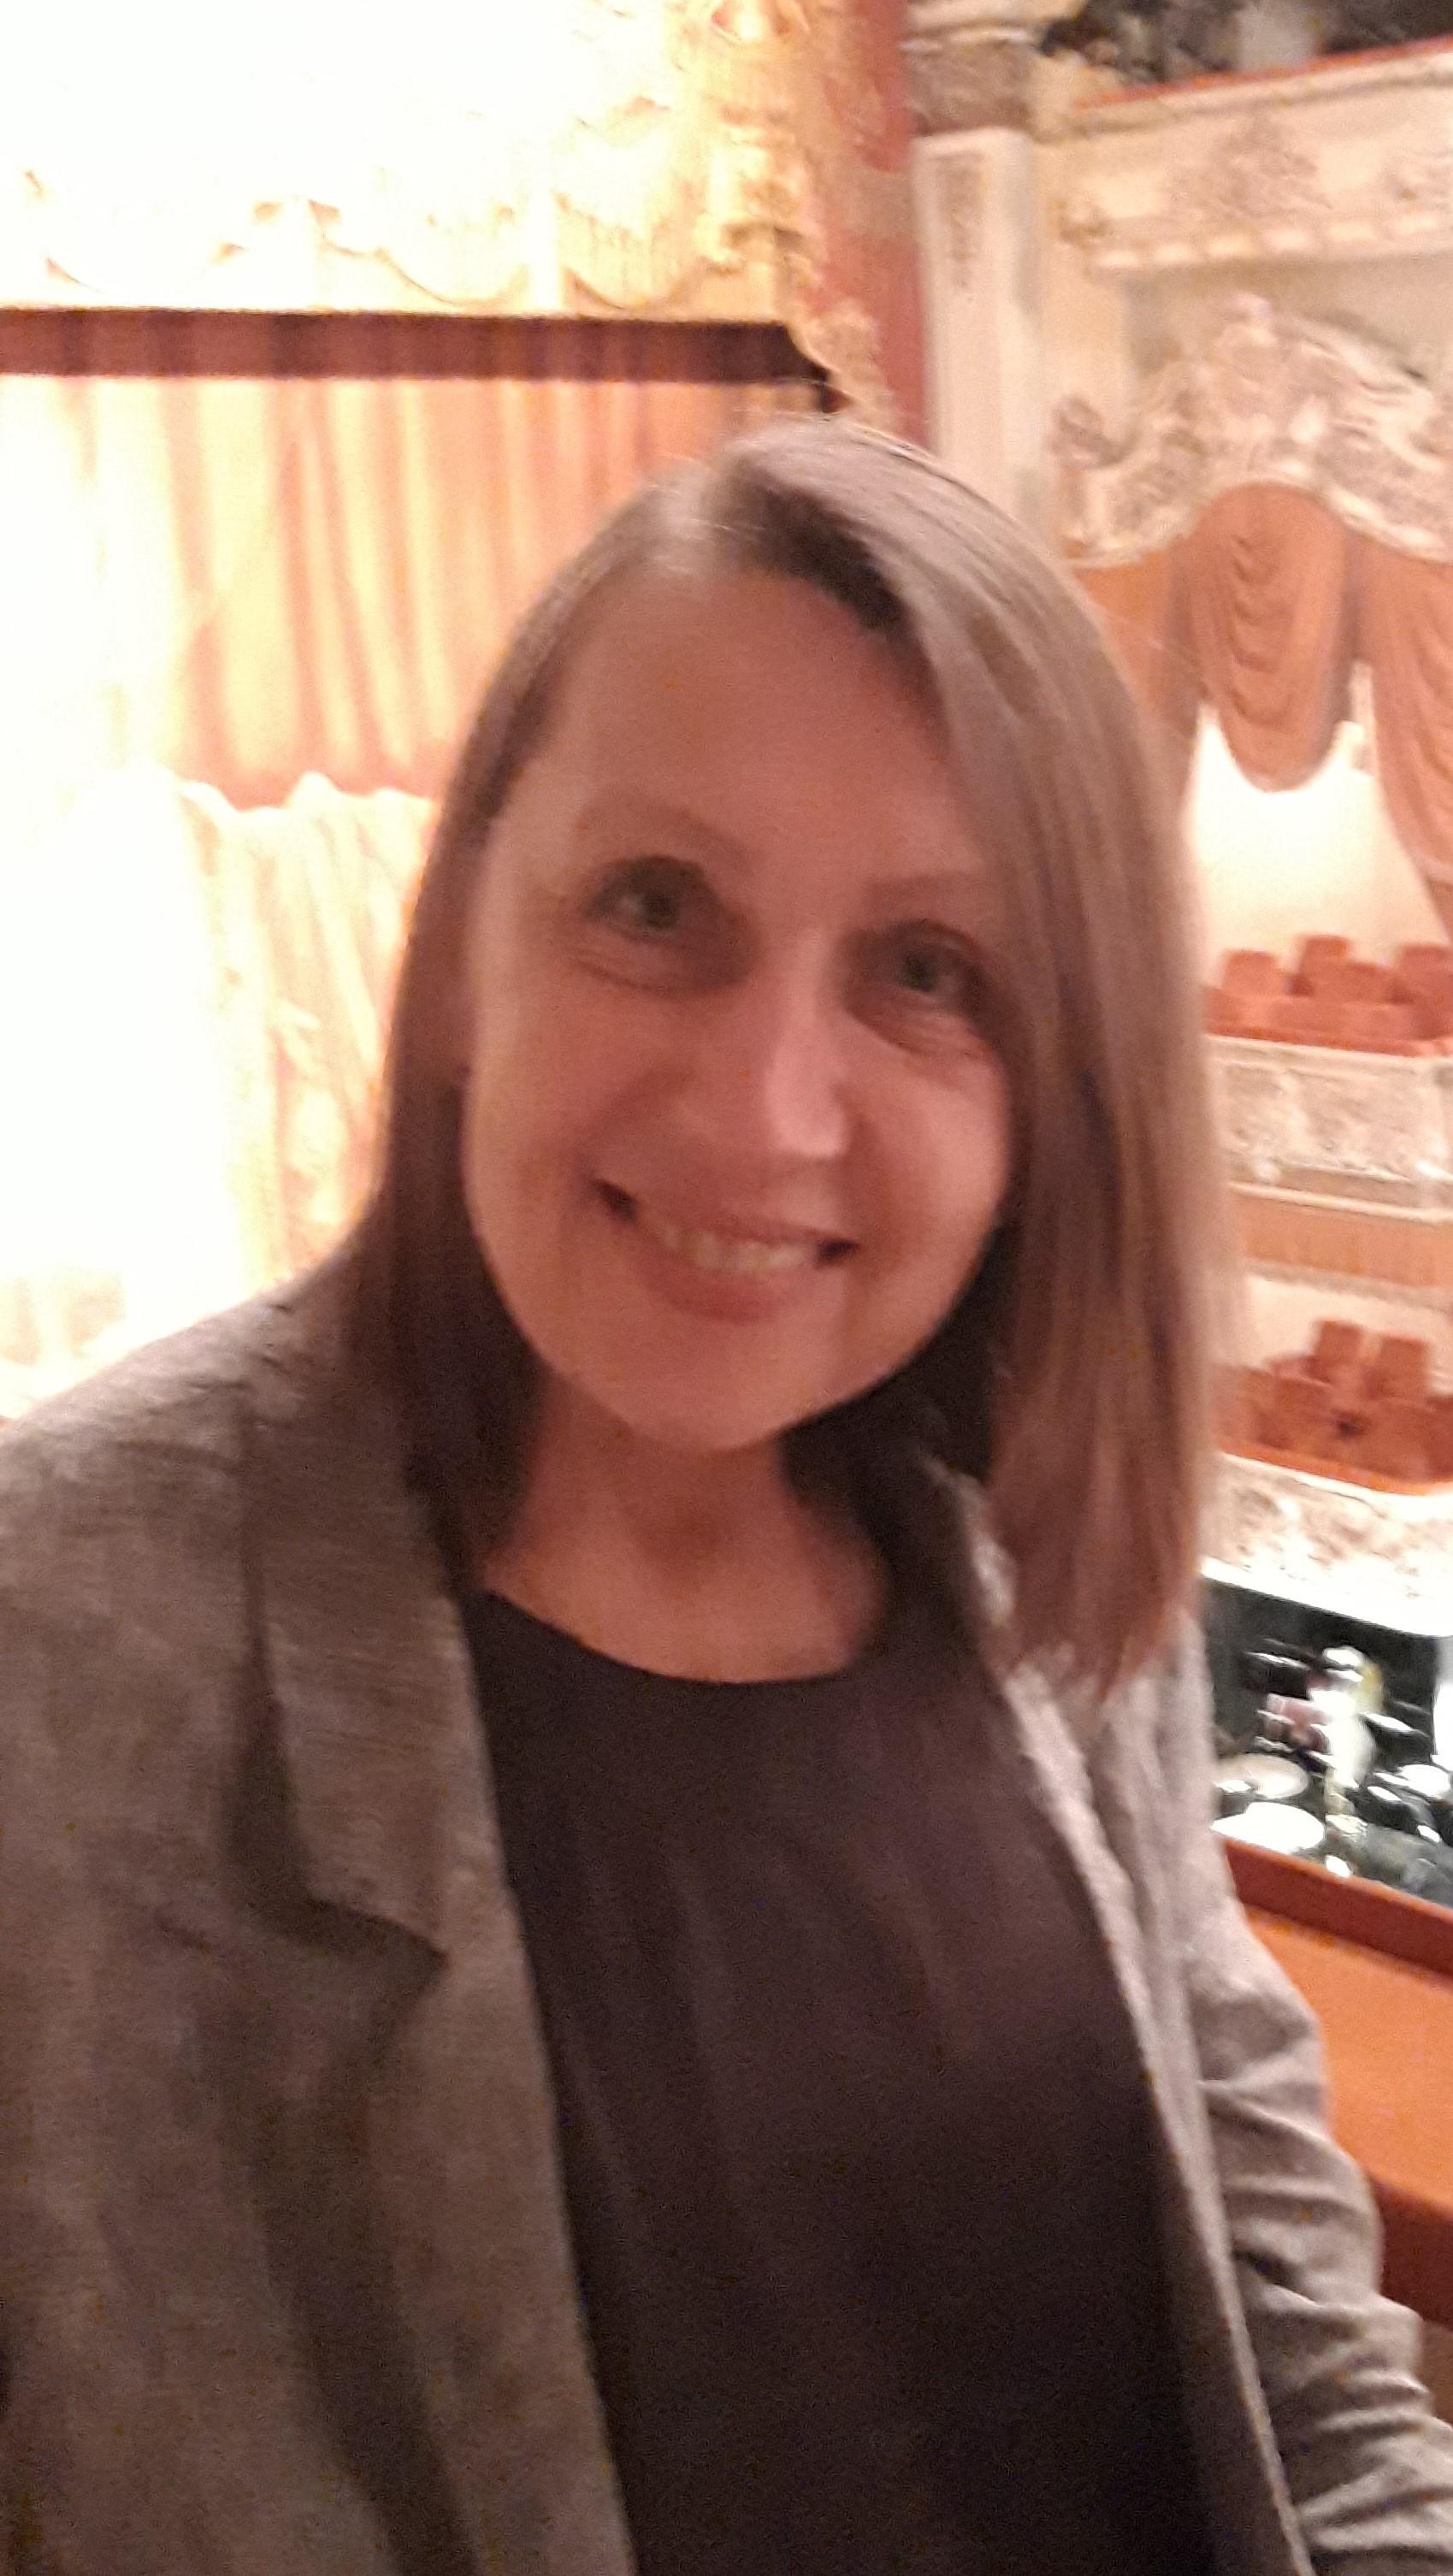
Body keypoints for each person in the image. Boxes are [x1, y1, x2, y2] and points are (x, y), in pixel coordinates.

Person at [1, 417, 1450, 2576]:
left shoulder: (1039, 1534)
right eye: (654, 907)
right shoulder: (68, 1642)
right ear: (465, 948)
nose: (765, 1114)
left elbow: (1274, 2305)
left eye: (928, 972)